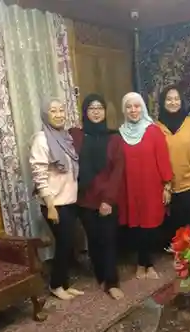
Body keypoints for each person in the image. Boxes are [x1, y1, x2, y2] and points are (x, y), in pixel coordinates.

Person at [70, 94, 125, 300]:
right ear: (85, 112)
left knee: (109, 240)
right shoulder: (77, 136)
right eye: (91, 108)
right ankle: (101, 275)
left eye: (99, 108)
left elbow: (118, 171)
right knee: (93, 241)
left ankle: (112, 282)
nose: (96, 112)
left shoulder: (114, 138)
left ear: (105, 112)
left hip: (107, 199)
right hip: (85, 199)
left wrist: (108, 200)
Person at [30, 96, 84, 300]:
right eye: (53, 111)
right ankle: (55, 285)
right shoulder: (41, 139)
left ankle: (64, 284)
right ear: (46, 115)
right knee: (63, 243)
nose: (59, 115)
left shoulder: (65, 137)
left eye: (61, 110)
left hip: (69, 201)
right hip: (54, 203)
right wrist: (50, 205)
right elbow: (39, 175)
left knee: (68, 244)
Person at [118, 92, 173, 279]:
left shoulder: (153, 131)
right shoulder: (120, 134)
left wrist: (167, 186)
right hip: (129, 188)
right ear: (124, 110)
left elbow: (163, 160)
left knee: (150, 226)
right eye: (129, 107)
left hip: (151, 187)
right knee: (135, 226)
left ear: (142, 108)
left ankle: (147, 264)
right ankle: (142, 264)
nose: (133, 110)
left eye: (137, 106)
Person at [156, 86, 190, 239]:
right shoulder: (156, 127)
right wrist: (164, 186)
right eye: (169, 99)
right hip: (168, 188)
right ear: (162, 102)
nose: (173, 102)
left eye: (176, 99)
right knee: (173, 231)